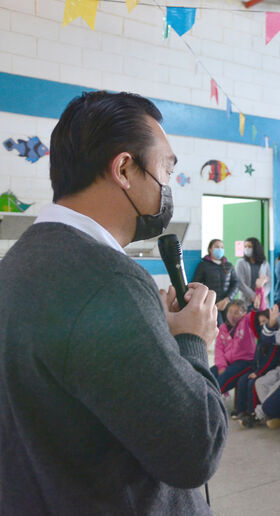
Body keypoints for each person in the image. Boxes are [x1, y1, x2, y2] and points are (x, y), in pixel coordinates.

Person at [0, 91, 226, 513]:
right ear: (124, 169)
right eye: (166, 169)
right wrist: (194, 341)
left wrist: (151, 334)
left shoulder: (17, 264)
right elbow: (195, 450)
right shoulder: (110, 280)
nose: (167, 185)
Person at [209, 300, 260, 407]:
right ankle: (203, 399)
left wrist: (256, 305)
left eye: (236, 312)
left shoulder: (247, 323)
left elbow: (255, 315)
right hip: (227, 362)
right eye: (230, 312)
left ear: (244, 314)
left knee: (222, 380)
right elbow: (219, 349)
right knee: (209, 374)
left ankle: (210, 404)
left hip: (245, 362)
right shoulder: (223, 328)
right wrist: (221, 366)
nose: (232, 315)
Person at [192, 239, 239, 325]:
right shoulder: (203, 265)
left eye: (222, 247)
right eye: (217, 247)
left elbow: (236, 283)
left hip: (227, 304)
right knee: (218, 328)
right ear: (210, 249)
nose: (220, 249)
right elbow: (196, 284)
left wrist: (227, 299)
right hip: (211, 304)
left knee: (230, 328)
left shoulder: (229, 266)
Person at [235, 236, 270, 307]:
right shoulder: (241, 262)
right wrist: (253, 296)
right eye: (245, 246)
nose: (247, 248)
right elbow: (240, 282)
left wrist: (261, 295)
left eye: (249, 246)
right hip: (246, 300)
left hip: (262, 300)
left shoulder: (264, 263)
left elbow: (269, 282)